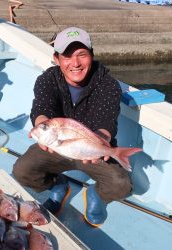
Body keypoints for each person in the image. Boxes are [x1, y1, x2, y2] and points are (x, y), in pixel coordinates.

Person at [13, 27, 132, 227]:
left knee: (122, 186)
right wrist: (41, 126)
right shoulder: (47, 80)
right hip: (57, 145)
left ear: (91, 56)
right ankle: (58, 185)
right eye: (67, 56)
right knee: (22, 171)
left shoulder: (108, 85)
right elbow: (42, 108)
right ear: (56, 58)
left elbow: (106, 123)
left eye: (81, 55)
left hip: (93, 150)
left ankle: (96, 195)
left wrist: (101, 143)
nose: (75, 63)